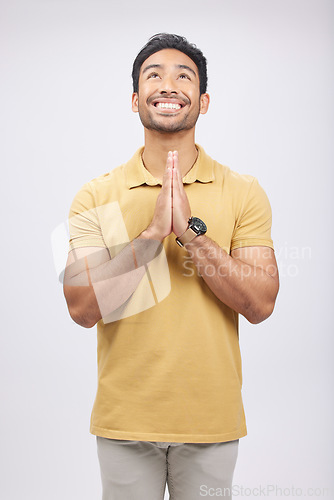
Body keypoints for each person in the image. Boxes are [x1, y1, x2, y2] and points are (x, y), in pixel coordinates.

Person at [63, 33, 279, 500]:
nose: (169, 84)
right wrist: (150, 238)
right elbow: (81, 309)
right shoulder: (95, 195)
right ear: (136, 98)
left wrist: (191, 236)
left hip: (211, 420)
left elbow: (261, 303)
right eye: (153, 75)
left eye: (184, 76)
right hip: (124, 421)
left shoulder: (244, 191)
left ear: (203, 102)